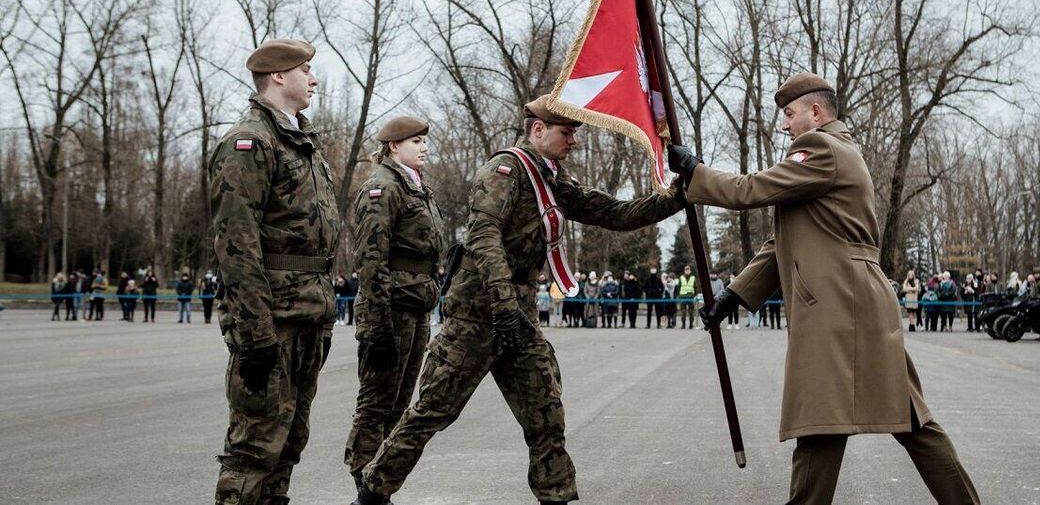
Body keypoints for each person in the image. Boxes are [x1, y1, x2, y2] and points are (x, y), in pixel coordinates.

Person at [354, 94, 685, 505]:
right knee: (432, 411)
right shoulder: (505, 169)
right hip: (477, 314)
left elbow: (612, 212)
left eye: (576, 133)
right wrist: (504, 304)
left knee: (545, 410)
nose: (574, 141)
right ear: (538, 129)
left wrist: (675, 196)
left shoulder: (550, 177)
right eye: (567, 132)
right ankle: (372, 491)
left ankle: (556, 495)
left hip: (518, 314)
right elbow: (483, 237)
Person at [671, 73, 978, 504]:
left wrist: (696, 173)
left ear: (816, 112)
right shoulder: (834, 153)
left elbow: (751, 189)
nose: (784, 125)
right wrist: (735, 294)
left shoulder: (820, 148)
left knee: (829, 422)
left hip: (841, 308)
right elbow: (784, 240)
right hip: (855, 305)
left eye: (790, 114)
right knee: (901, 421)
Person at [209, 39, 342, 504]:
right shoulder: (249, 143)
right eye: (307, 69)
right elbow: (235, 245)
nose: (315, 79)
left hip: (308, 314)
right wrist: (254, 333)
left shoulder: (299, 140)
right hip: (274, 322)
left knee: (288, 443)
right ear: (279, 76)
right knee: (255, 447)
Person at [344, 115, 445, 490]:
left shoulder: (416, 187)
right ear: (393, 146)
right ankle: (363, 481)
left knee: (400, 403)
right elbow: (370, 260)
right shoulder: (382, 188)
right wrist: (377, 323)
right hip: (390, 309)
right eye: (416, 142)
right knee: (376, 403)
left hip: (415, 307)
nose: (424, 148)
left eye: (424, 142)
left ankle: (379, 483)